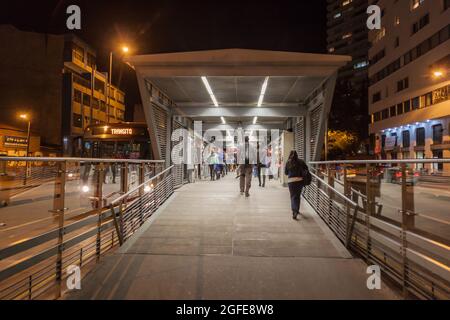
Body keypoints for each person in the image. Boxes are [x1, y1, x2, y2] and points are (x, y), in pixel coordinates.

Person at [284, 150, 308, 220]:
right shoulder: (301, 161)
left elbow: (286, 173)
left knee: (293, 196)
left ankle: (294, 210)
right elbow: (306, 169)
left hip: (291, 182)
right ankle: (296, 210)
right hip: (299, 181)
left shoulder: (288, 162)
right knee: (297, 196)